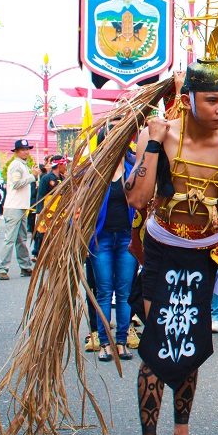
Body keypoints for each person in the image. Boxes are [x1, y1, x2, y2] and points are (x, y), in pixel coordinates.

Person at [124, 57, 218, 435]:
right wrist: (151, 143)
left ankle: (180, 434)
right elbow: (136, 197)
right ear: (189, 99)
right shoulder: (164, 135)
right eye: (212, 100)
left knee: (191, 343)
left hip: (207, 253)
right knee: (156, 345)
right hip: (163, 251)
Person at [90, 143, 136, 363]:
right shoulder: (95, 170)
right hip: (102, 240)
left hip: (127, 238)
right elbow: (80, 204)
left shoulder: (133, 166)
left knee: (125, 292)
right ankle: (104, 343)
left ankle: (122, 341)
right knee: (104, 292)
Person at [0, 140, 37, 280]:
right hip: (14, 206)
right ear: (16, 151)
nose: (26, 151)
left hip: (20, 206)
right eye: (22, 149)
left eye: (27, 149)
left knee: (21, 239)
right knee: (10, 238)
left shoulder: (22, 165)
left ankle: (25, 266)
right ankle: (2, 268)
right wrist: (33, 177)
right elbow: (16, 184)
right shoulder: (16, 165)